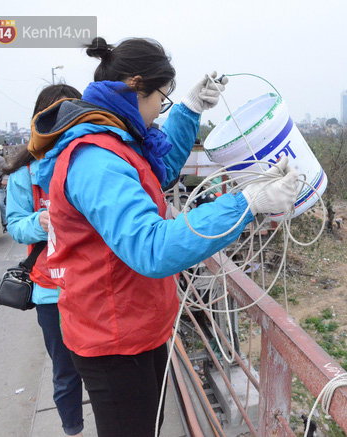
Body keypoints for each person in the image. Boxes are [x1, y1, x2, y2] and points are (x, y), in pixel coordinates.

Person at [29, 36, 299, 437]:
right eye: (163, 98)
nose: (160, 110)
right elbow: (151, 247)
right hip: (115, 340)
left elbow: (158, 170)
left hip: (135, 325)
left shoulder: (118, 140)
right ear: (137, 85)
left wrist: (190, 109)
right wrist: (245, 203)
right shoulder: (95, 158)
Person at [5, 84, 85, 436]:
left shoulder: (90, 160)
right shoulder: (24, 174)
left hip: (91, 285)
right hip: (51, 290)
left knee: (103, 366)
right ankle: (73, 428)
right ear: (41, 120)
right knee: (66, 372)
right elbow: (14, 224)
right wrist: (37, 222)